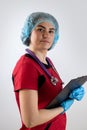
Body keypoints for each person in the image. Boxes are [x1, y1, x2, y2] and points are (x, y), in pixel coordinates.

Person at [12, 12, 85, 130]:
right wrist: (63, 108)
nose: (46, 35)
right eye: (40, 29)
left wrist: (69, 95)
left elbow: (48, 96)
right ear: (29, 32)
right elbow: (31, 120)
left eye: (51, 31)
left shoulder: (48, 62)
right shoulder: (27, 66)